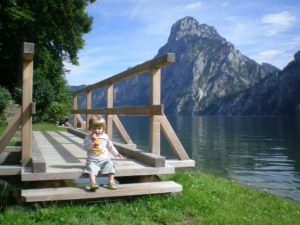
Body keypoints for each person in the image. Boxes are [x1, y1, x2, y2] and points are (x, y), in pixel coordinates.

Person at [83, 115, 123, 191]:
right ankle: (93, 183)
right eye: (94, 128)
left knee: (111, 164)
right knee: (91, 169)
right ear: (90, 128)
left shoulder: (105, 137)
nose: (96, 130)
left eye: (99, 128)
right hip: (92, 160)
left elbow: (110, 146)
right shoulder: (88, 137)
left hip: (104, 159)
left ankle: (110, 182)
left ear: (103, 128)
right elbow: (85, 148)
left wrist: (116, 153)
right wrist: (92, 141)